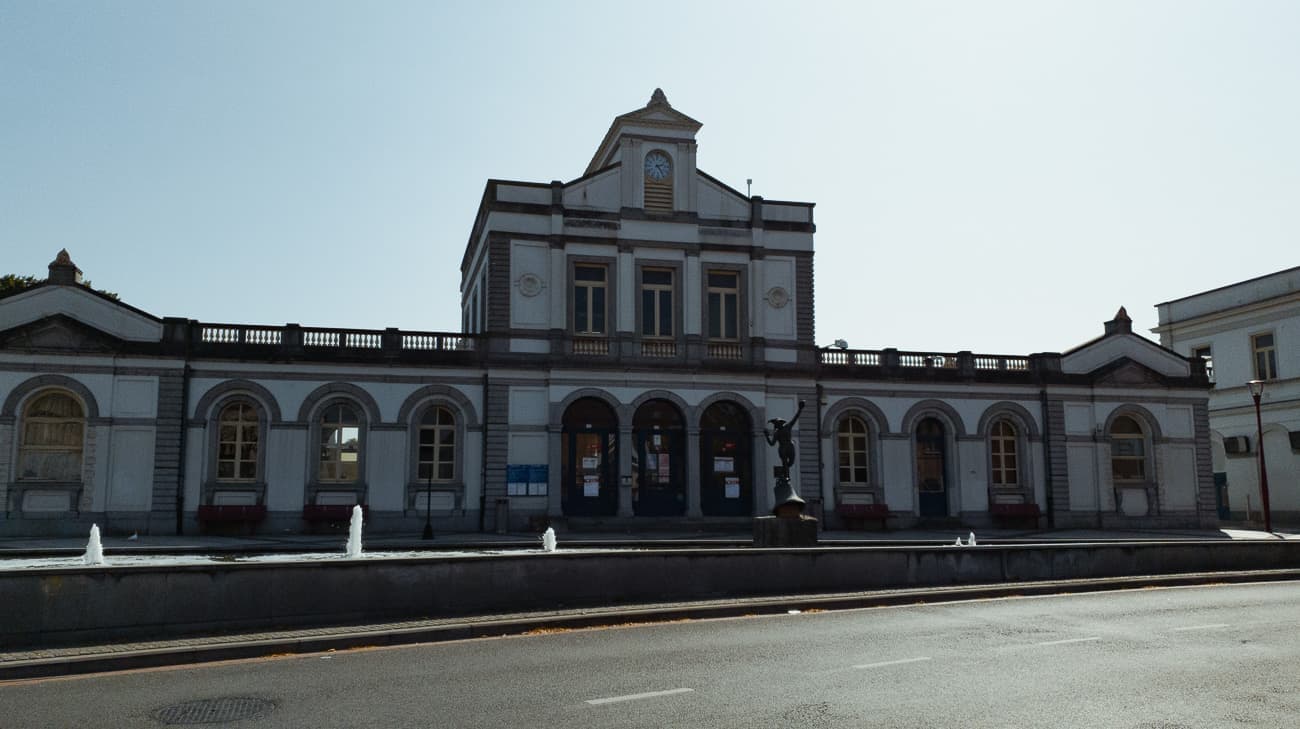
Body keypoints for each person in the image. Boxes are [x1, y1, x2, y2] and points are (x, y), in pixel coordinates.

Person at [764, 400, 806, 472]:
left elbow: (795, 418)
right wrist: (767, 436)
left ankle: (784, 471)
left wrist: (800, 409)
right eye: (777, 423)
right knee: (786, 463)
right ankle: (785, 473)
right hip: (783, 447)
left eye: (779, 423)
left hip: (789, 446)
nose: (778, 425)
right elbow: (772, 444)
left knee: (790, 462)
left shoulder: (787, 427)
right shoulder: (777, 432)